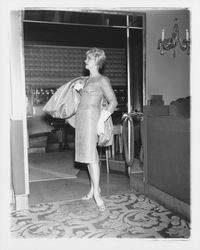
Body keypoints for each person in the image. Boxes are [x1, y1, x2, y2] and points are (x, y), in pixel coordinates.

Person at [74, 48, 118, 212]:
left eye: (88, 59)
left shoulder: (102, 79)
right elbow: (85, 100)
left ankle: (97, 195)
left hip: (93, 119)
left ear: (95, 62)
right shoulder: (86, 80)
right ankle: (94, 189)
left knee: (91, 156)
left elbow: (113, 102)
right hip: (82, 119)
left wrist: (101, 121)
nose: (85, 61)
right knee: (87, 154)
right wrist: (79, 90)